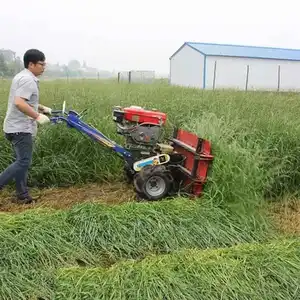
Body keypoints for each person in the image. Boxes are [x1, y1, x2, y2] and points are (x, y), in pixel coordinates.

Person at [0, 49, 52, 204]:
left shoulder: (21, 76)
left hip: (14, 127)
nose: (44, 68)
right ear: (31, 64)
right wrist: (37, 116)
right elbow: (19, 102)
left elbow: (24, 100)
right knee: (23, 162)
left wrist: (41, 108)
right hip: (20, 128)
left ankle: (22, 195)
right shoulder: (28, 80)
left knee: (21, 161)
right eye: (41, 64)